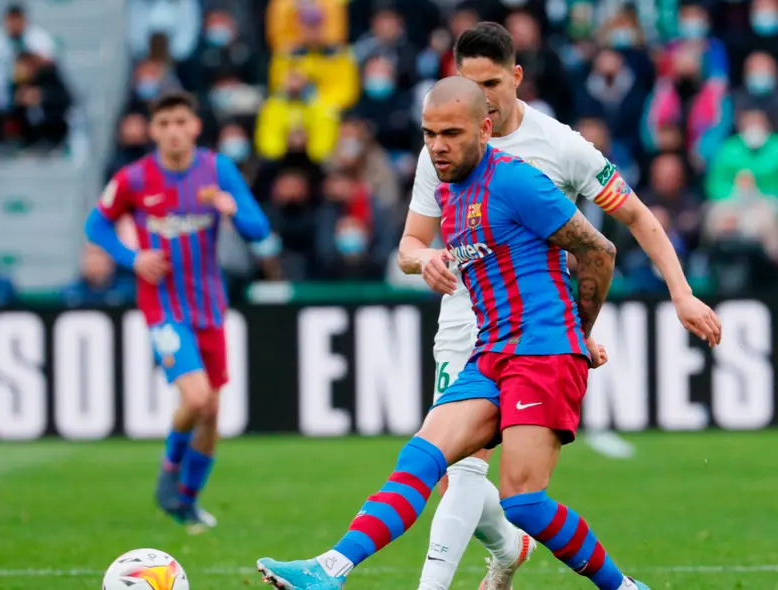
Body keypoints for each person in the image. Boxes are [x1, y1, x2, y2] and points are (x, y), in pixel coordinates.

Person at [256, 76, 650, 590]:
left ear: (485, 129)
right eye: (429, 134)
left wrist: (578, 334)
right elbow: (410, 248)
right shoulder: (449, 191)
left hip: (544, 353)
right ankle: (330, 569)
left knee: (524, 503)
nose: (439, 145)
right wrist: (426, 259)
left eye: (452, 133)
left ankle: (622, 587)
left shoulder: (518, 181)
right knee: (422, 457)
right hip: (492, 353)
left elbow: (598, 250)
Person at [407, 23, 723, 590]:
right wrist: (422, 257)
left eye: (493, 83)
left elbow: (636, 219)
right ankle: (507, 547)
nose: (484, 97)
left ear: (516, 77)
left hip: (533, 334)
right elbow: (410, 241)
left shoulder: (561, 146)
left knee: (476, 475)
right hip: (463, 324)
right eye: (470, 83)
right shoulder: (441, 147)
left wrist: (679, 292)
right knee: (458, 470)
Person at [84, 91, 276, 532]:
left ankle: (187, 501)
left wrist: (232, 210)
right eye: (164, 123)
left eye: (180, 122)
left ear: (194, 127)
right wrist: (132, 258)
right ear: (153, 131)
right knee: (196, 397)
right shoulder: (135, 178)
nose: (173, 130)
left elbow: (259, 230)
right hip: (164, 308)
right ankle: (169, 473)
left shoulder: (217, 170)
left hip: (210, 306)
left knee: (211, 411)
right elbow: (95, 225)